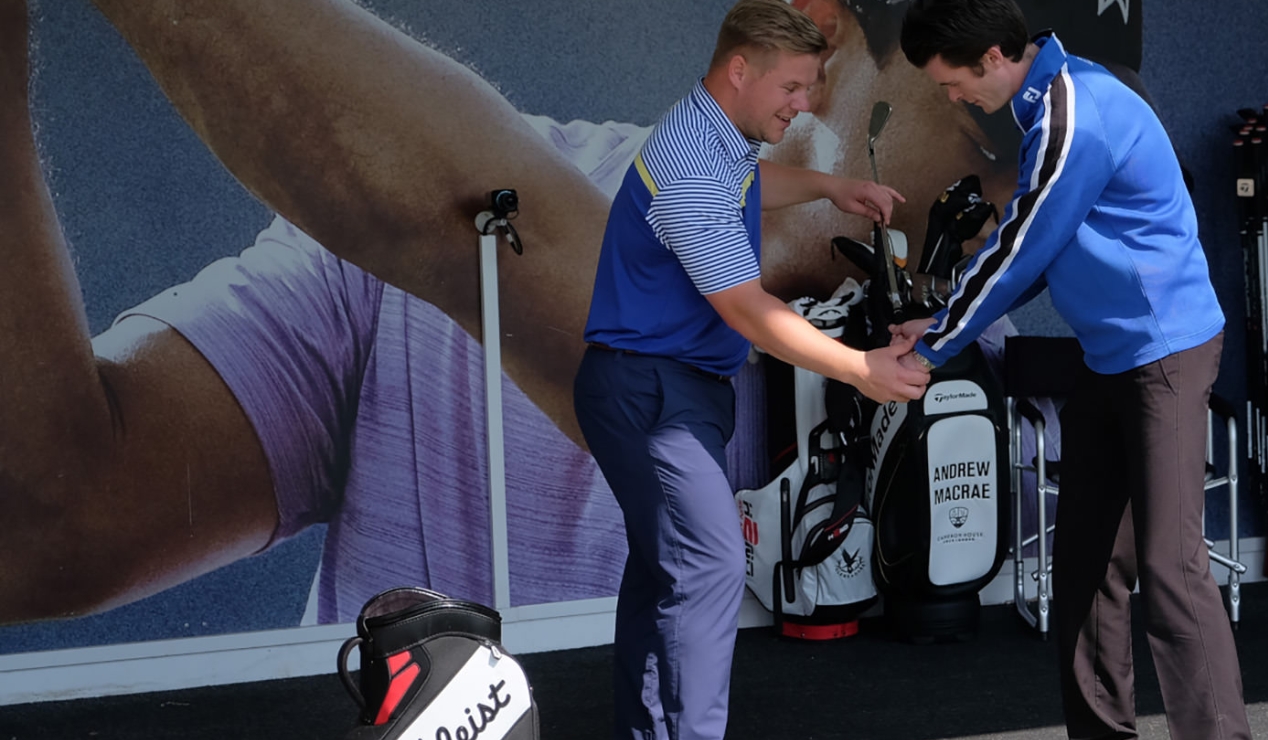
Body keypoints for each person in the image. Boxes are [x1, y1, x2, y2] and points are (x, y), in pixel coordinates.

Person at [0, 0, 1031, 633]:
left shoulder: (967, 354)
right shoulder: (396, 230)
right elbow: (39, 522)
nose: (1056, 191)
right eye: (1003, 127)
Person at [894, 3, 1268, 740]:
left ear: (993, 54)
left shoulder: (1075, 109)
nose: (951, 95)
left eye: (953, 79)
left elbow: (1027, 241)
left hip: (1167, 354)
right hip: (1110, 354)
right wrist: (942, 320)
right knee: (1088, 558)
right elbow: (1030, 236)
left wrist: (942, 338)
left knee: (1173, 571)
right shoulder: (1041, 104)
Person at [570, 0, 925, 740]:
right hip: (650, 390)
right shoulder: (694, 156)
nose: (802, 104)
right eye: (793, 86)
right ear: (740, 70)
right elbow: (746, 307)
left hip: (669, 384)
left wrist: (834, 187)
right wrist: (862, 371)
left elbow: (750, 185)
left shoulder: (716, 140)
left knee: (667, 571)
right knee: (711, 562)